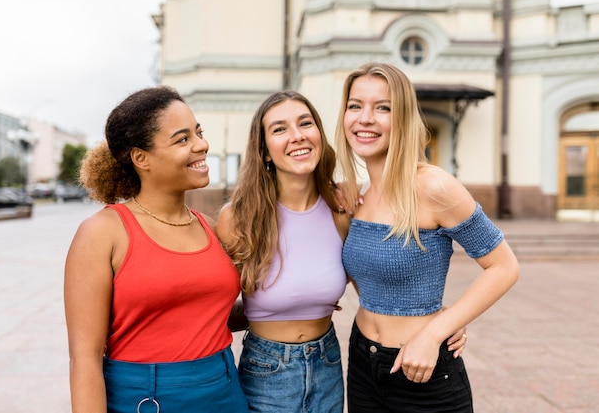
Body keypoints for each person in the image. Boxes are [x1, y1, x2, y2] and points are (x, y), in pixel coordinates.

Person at [216, 90, 467, 412]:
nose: (297, 136)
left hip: (328, 363)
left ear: (319, 135)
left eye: (305, 123)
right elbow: (213, 302)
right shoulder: (237, 218)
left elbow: (377, 286)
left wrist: (438, 322)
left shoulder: (342, 208)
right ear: (264, 151)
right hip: (266, 370)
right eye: (280, 129)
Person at [335, 62, 520, 412]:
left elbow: (504, 266)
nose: (365, 118)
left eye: (383, 108)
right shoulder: (357, 197)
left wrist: (438, 330)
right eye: (355, 105)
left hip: (424, 368)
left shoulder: (433, 186)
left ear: (403, 117)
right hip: (362, 361)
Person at [63, 86, 249, 413]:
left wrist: (290, 300)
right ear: (141, 158)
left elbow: (204, 317)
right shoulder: (101, 234)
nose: (201, 145)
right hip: (145, 400)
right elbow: (85, 358)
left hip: (225, 392)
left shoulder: (208, 225)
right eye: (182, 139)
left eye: (199, 133)